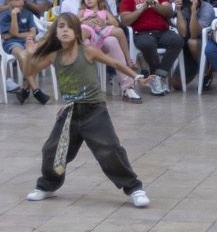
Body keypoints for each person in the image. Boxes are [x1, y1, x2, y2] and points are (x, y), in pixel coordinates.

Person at [18, 14, 150, 207]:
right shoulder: (54, 55)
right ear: (55, 32)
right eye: (60, 26)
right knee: (52, 149)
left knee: (110, 150)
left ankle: (134, 188)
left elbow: (115, 63)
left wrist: (137, 77)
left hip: (94, 110)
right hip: (70, 112)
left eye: (69, 27)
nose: (64, 30)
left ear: (77, 32)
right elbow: (29, 72)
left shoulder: (87, 51)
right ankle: (47, 185)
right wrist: (30, 54)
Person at [116, 0, 181, 93]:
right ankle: (157, 78)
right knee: (147, 43)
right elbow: (125, 20)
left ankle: (158, 76)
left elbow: (169, 12)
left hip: (163, 32)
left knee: (177, 40)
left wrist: (154, 4)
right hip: (141, 34)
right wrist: (143, 7)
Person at [0, 0, 49, 105]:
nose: (21, 2)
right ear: (8, 1)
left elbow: (32, 33)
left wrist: (16, 34)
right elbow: (12, 33)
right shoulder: (4, 15)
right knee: (23, 55)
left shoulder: (28, 14)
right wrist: (14, 16)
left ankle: (25, 90)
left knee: (37, 57)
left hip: (27, 41)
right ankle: (36, 90)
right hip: (12, 43)